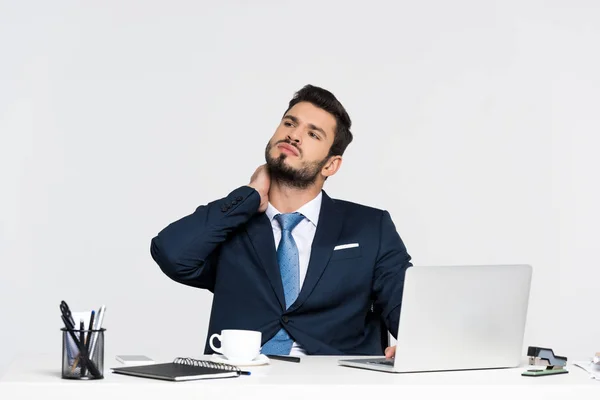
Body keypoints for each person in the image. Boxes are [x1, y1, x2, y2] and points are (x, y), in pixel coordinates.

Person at [150, 84, 412, 358]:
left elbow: (406, 306)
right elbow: (171, 253)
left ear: (330, 165)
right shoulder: (233, 225)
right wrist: (249, 195)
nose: (294, 135)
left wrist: (414, 346)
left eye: (313, 134)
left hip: (331, 384)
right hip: (240, 384)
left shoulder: (371, 227)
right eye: (289, 123)